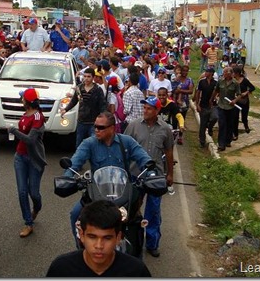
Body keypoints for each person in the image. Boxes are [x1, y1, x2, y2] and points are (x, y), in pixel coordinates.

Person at [65, 112, 151, 246]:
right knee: (75, 214)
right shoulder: (89, 143)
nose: (96, 130)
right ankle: (80, 246)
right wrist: (66, 179)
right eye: (95, 127)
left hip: (123, 194)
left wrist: (152, 174)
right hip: (97, 194)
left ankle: (136, 253)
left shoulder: (126, 142)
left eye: (101, 127)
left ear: (112, 128)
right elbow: (74, 163)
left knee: (136, 222)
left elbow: (144, 159)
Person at [46, 200, 152, 277]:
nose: (99, 246)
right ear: (81, 235)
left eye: (107, 238)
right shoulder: (61, 269)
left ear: (118, 238)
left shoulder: (136, 272)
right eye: (92, 237)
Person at [124, 96, 174, 257]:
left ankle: (152, 243)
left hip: (155, 177)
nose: (145, 111)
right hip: (134, 175)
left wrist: (170, 174)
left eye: (149, 108)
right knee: (130, 209)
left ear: (157, 111)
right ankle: (128, 239)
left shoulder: (165, 129)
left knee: (153, 211)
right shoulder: (133, 126)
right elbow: (124, 148)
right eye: (144, 108)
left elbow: (169, 152)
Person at [7, 88, 47, 238]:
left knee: (34, 193)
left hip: (34, 159)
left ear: (27, 101)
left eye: (22, 98)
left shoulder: (38, 117)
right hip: (20, 157)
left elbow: (30, 140)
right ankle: (28, 223)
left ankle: (37, 207)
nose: (21, 100)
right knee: (22, 191)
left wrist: (13, 131)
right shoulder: (25, 115)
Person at [60, 68, 106, 147]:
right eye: (85, 76)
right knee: (79, 144)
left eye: (89, 77)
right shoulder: (79, 88)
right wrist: (65, 110)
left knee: (94, 144)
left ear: (93, 78)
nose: (86, 79)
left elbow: (102, 105)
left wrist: (103, 119)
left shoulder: (98, 90)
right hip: (81, 121)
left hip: (93, 122)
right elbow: (74, 101)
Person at [210, 66, 242, 152]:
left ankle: (228, 140)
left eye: (227, 73)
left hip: (231, 107)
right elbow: (216, 91)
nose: (225, 75)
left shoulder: (235, 83)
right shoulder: (220, 81)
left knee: (229, 124)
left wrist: (235, 100)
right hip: (221, 106)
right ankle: (221, 144)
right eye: (224, 73)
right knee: (222, 124)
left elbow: (239, 94)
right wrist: (211, 100)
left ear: (231, 74)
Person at [232, 66, 256, 136]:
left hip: (244, 101)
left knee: (244, 117)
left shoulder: (244, 80)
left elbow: (252, 87)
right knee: (235, 117)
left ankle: (246, 125)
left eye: (234, 72)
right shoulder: (233, 81)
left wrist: (246, 92)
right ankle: (235, 133)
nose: (233, 74)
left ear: (237, 73)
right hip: (236, 101)